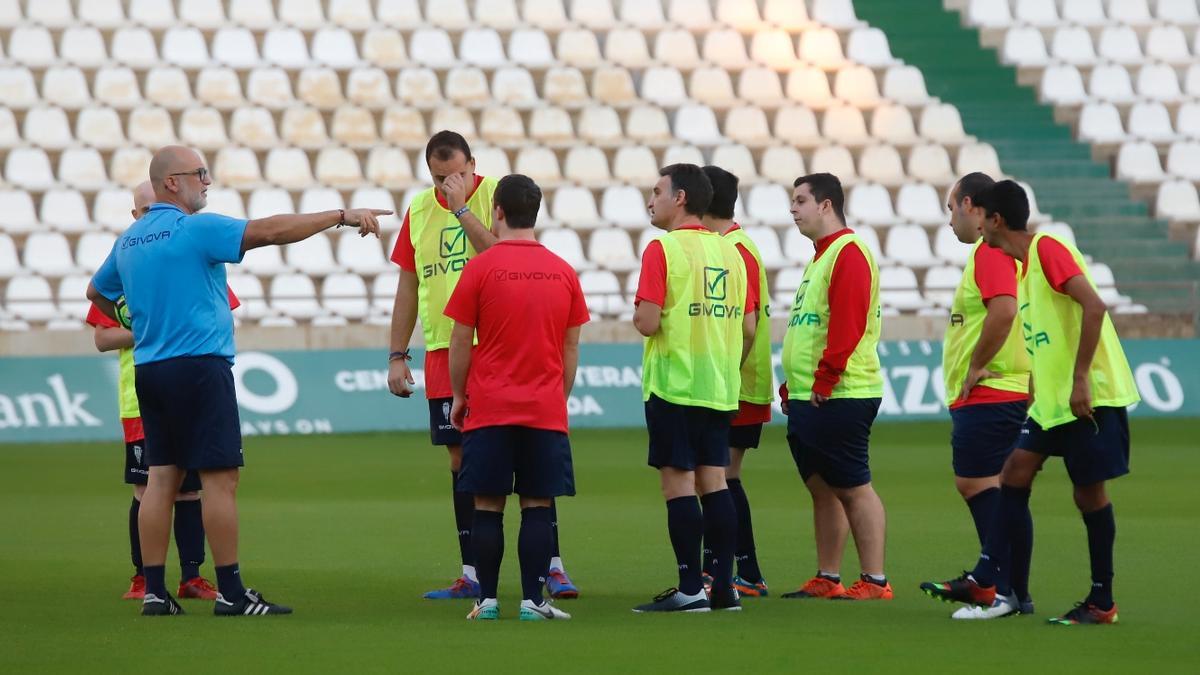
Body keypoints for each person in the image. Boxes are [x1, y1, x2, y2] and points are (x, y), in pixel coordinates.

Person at [87, 145, 389, 616]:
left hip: (151, 369)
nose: (207, 182)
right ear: (173, 182)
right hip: (199, 367)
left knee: (161, 477)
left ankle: (152, 591)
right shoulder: (194, 228)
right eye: (200, 174)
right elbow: (270, 231)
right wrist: (341, 215)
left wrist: (139, 322)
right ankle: (230, 591)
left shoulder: (129, 240)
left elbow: (97, 292)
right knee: (220, 478)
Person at [921, 180, 1139, 626]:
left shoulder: (1047, 250)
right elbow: (1047, 338)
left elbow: (1094, 308)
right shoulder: (1025, 267)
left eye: (984, 219)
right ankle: (991, 578)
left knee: (1089, 494)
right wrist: (1042, 387)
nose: (978, 227)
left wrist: (1080, 379)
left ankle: (1101, 601)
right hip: (1053, 402)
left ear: (996, 219)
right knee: (1013, 473)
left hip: (1090, 396)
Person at [386, 131, 578, 600]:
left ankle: (551, 565)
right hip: (443, 348)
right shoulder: (418, 210)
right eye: (437, 177)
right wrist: (396, 354)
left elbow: (507, 259)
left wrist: (461, 210)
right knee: (460, 460)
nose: (446, 183)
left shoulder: (499, 196)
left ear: (473, 165)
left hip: (500, 342)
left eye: (455, 174)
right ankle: (471, 572)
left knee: (532, 454)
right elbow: (410, 286)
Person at [443, 174, 589, 621]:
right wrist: (557, 397)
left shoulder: (480, 268)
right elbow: (570, 347)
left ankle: (486, 601)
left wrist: (458, 395)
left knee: (487, 504)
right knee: (537, 505)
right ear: (535, 213)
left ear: (498, 212)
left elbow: (461, 339)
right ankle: (533, 601)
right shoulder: (563, 270)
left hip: (491, 404)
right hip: (543, 408)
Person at [86, 181, 223, 602]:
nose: (154, 219)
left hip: (189, 386)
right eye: (145, 211)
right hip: (140, 396)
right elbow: (102, 338)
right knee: (148, 487)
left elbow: (220, 306)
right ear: (134, 216)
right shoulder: (126, 261)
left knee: (191, 488)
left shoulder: (185, 259)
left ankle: (192, 576)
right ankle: (144, 578)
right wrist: (148, 328)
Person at [632, 164, 752, 613]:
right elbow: (746, 324)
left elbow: (647, 322)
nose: (651, 198)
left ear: (680, 198)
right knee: (715, 482)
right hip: (719, 385)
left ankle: (689, 590)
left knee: (679, 485)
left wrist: (640, 313)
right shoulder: (731, 254)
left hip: (675, 383)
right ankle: (723, 587)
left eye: (657, 190)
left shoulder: (663, 249)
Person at [779, 173, 892, 601]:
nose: (793, 209)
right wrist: (797, 382)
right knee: (822, 487)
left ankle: (876, 580)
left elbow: (848, 323)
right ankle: (828, 576)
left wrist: (824, 378)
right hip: (816, 393)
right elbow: (811, 328)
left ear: (826, 205)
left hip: (842, 392)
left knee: (852, 485)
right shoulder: (821, 257)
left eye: (801, 200)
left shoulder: (848, 253)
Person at [935, 173, 1034, 620]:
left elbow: (1005, 309)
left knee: (979, 483)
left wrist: (976, 363)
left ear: (969, 205)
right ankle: (1009, 589)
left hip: (991, 391)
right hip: (1005, 388)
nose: (949, 220)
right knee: (1003, 489)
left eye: (950, 208)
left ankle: (998, 589)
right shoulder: (1000, 254)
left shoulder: (988, 254)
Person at [698, 165, 771, 598]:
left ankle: (733, 572)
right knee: (722, 475)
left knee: (720, 475)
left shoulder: (735, 251)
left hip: (736, 384)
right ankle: (741, 571)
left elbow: (747, 324)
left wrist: (725, 373)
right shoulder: (736, 246)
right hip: (738, 381)